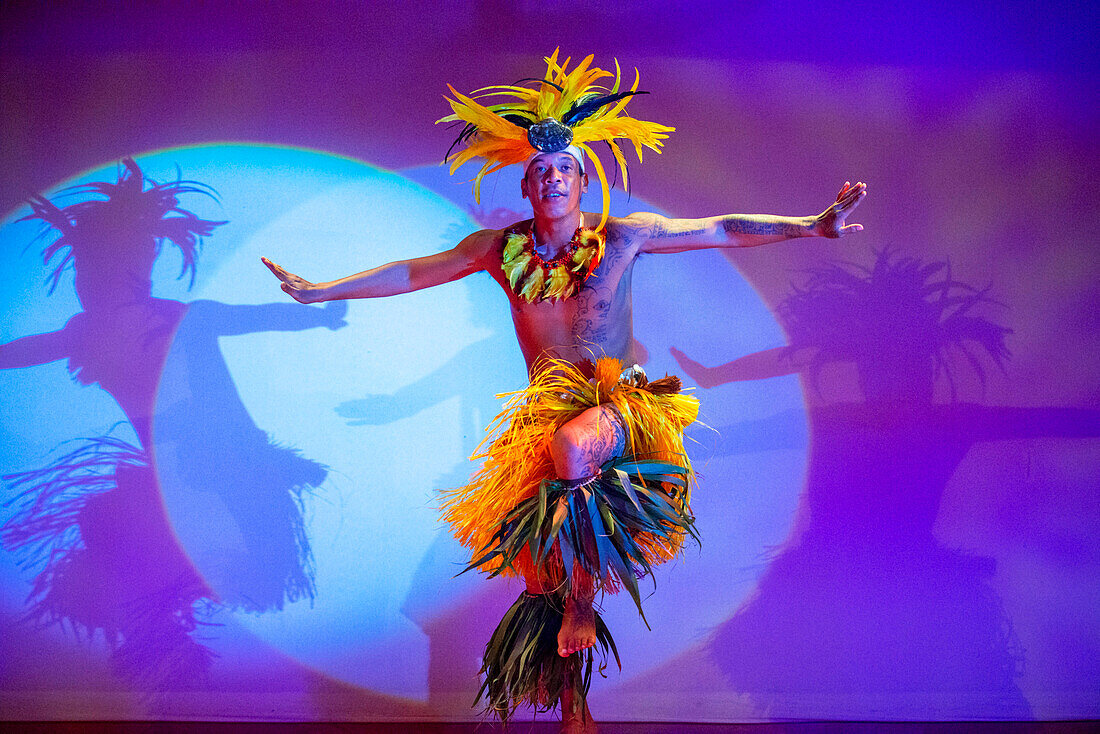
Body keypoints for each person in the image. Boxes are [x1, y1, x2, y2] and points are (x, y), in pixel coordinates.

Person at [263, 50, 866, 734]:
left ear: (584, 183)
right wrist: (321, 290)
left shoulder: (623, 239)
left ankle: (583, 603)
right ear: (528, 188)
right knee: (537, 575)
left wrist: (809, 226)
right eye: (541, 173)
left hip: (615, 411)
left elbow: (719, 228)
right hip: (540, 429)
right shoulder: (499, 250)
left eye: (565, 172)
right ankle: (574, 708)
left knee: (574, 444)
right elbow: (413, 272)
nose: (553, 181)